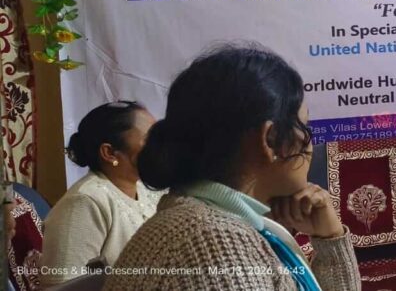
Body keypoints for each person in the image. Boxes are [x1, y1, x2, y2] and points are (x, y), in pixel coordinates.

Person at [103, 45, 359, 291]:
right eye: (305, 127)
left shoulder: (218, 224)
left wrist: (330, 237)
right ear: (270, 140)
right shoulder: (213, 244)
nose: (309, 143)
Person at [39, 101, 163, 287]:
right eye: (149, 139)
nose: (160, 147)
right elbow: (63, 286)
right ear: (109, 153)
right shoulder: (84, 202)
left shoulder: (147, 191)